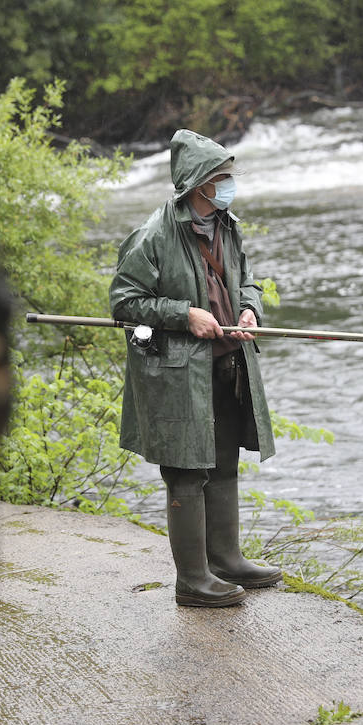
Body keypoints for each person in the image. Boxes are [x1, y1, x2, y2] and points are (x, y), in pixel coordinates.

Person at [109, 129, 282, 607]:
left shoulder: (228, 225)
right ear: (197, 185)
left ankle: (226, 560)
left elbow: (247, 282)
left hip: (228, 365)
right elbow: (124, 302)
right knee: (187, 471)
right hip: (177, 373)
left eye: (229, 177)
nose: (229, 185)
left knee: (224, 463)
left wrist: (249, 311)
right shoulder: (152, 235)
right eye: (221, 178)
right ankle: (192, 580)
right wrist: (184, 315)